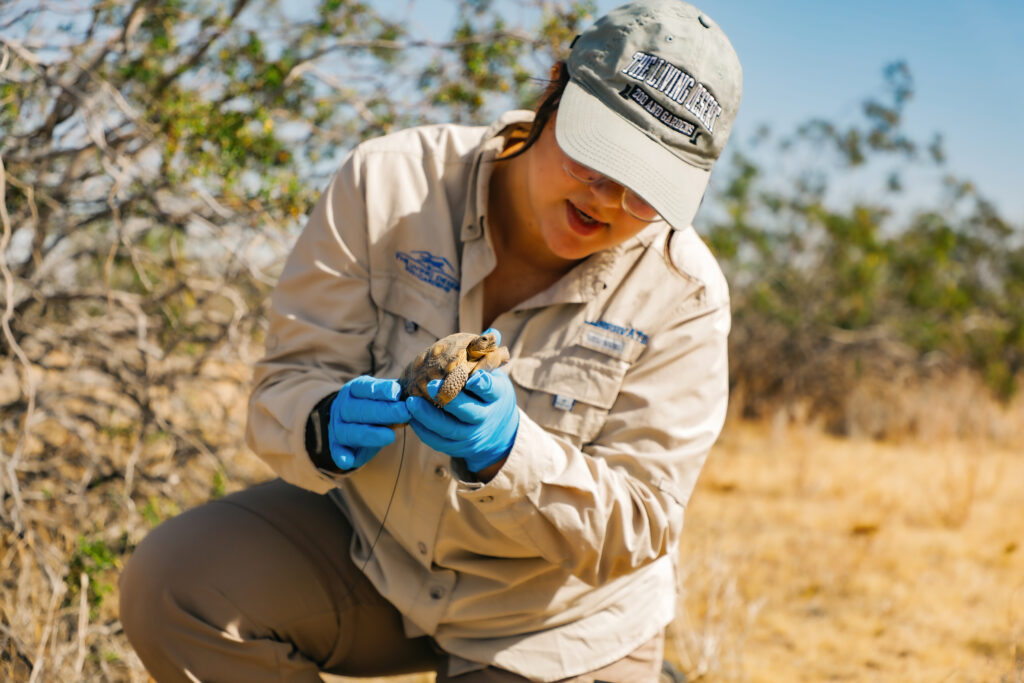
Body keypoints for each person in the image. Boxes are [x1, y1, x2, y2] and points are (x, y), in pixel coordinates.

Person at [118, 0, 742, 680]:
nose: (606, 200)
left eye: (645, 189)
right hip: (371, 555)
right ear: (554, 90)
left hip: (554, 622)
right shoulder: (388, 183)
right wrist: (322, 423)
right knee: (176, 585)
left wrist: (511, 453)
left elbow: (643, 523)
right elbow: (284, 388)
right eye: (599, 155)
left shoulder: (686, 292)